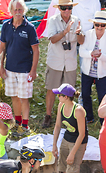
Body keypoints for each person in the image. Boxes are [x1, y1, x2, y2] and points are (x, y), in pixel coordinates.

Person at [0, 0, 39, 134]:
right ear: (11, 11)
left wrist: (33, 70)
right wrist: (1, 67)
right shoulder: (5, 26)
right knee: (14, 97)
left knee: (24, 98)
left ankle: (25, 125)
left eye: (20, 10)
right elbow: (2, 48)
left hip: (25, 70)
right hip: (9, 69)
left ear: (24, 11)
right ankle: (17, 122)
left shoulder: (29, 27)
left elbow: (36, 50)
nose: (18, 12)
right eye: (15, 10)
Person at [43, 0, 84, 128]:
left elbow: (81, 42)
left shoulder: (77, 20)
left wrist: (79, 33)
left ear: (72, 8)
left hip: (70, 62)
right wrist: (65, 32)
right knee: (51, 89)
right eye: (63, 7)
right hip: (55, 60)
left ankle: (67, 116)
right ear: (59, 8)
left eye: (69, 7)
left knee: (69, 92)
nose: (66, 10)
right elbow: (53, 39)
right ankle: (48, 115)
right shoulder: (53, 20)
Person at [51, 83, 87, 173]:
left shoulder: (78, 111)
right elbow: (58, 125)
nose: (57, 97)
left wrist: (73, 153)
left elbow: (82, 134)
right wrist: (54, 144)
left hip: (78, 143)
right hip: (66, 140)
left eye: (59, 95)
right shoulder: (61, 106)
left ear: (66, 97)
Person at [79, 10, 106, 123]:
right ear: (93, 24)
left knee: (103, 97)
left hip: (102, 72)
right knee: (85, 94)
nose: (99, 27)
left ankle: (103, 120)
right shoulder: (87, 34)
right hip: (87, 70)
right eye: (97, 24)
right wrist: (91, 53)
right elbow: (81, 52)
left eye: (102, 25)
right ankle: (89, 117)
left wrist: (100, 56)